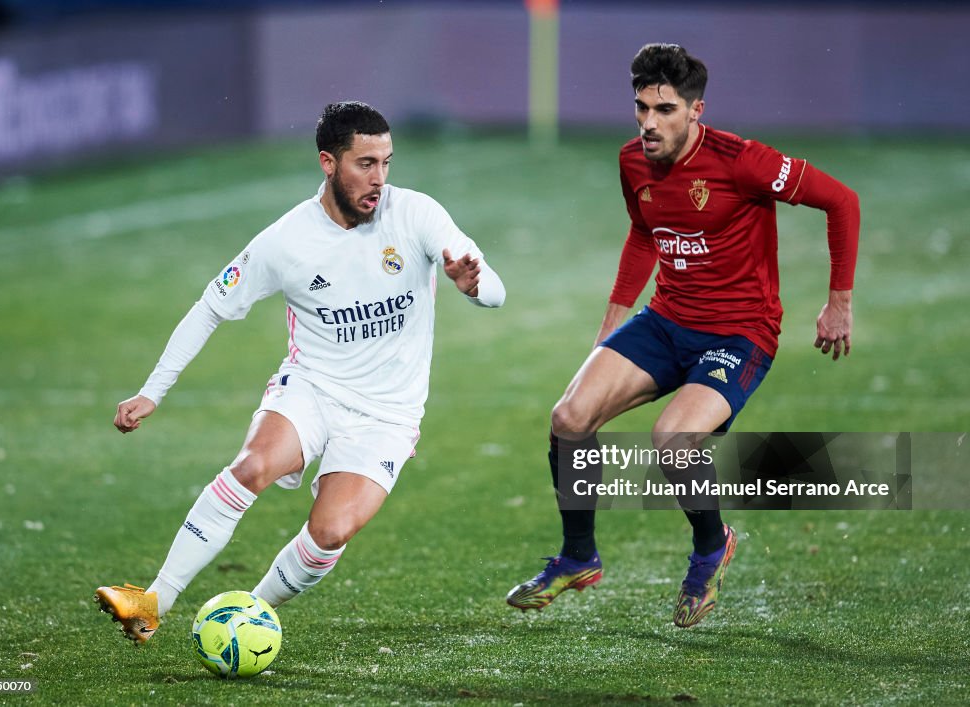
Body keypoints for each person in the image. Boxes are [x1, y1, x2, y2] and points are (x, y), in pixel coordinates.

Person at [95, 101, 505, 644]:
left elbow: (495, 290)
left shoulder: (417, 216)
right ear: (328, 163)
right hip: (312, 387)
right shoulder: (285, 241)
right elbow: (210, 307)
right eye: (365, 164)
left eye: (386, 162)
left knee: (330, 530)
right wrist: (152, 392)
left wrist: (471, 285)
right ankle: (152, 601)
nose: (379, 179)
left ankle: (251, 611)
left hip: (387, 413)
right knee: (252, 465)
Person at [505, 43, 859, 627]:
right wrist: (614, 318)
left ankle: (712, 545)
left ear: (696, 110)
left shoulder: (743, 161)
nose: (648, 123)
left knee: (672, 438)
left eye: (664, 110)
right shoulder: (632, 161)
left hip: (740, 334)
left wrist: (838, 303)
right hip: (666, 320)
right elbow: (645, 232)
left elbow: (840, 201)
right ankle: (577, 557)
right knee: (569, 418)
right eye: (641, 108)